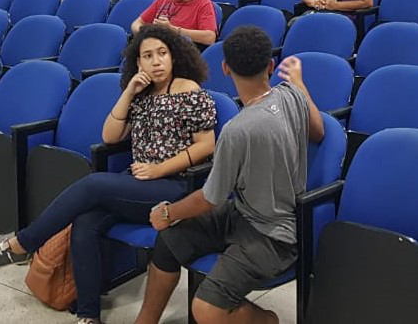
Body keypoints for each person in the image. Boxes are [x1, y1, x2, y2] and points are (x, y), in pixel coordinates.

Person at [0, 24, 217, 324]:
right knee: (85, 222)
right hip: (136, 184)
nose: (156, 61)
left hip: (174, 187)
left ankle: (22, 243)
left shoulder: (188, 90)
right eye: (147, 56)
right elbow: (110, 136)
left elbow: (206, 146)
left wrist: (157, 169)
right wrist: (129, 92)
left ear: (174, 56)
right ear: (138, 63)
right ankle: (88, 316)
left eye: (162, 53)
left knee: (93, 185)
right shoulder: (141, 93)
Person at [134, 26, 324, 324]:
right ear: (271, 66)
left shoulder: (238, 130)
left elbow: (210, 198)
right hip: (244, 214)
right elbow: (319, 130)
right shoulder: (292, 95)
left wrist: (168, 213)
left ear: (225, 68)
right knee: (169, 240)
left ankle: (266, 321)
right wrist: (300, 84)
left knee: (206, 308)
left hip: (275, 238)